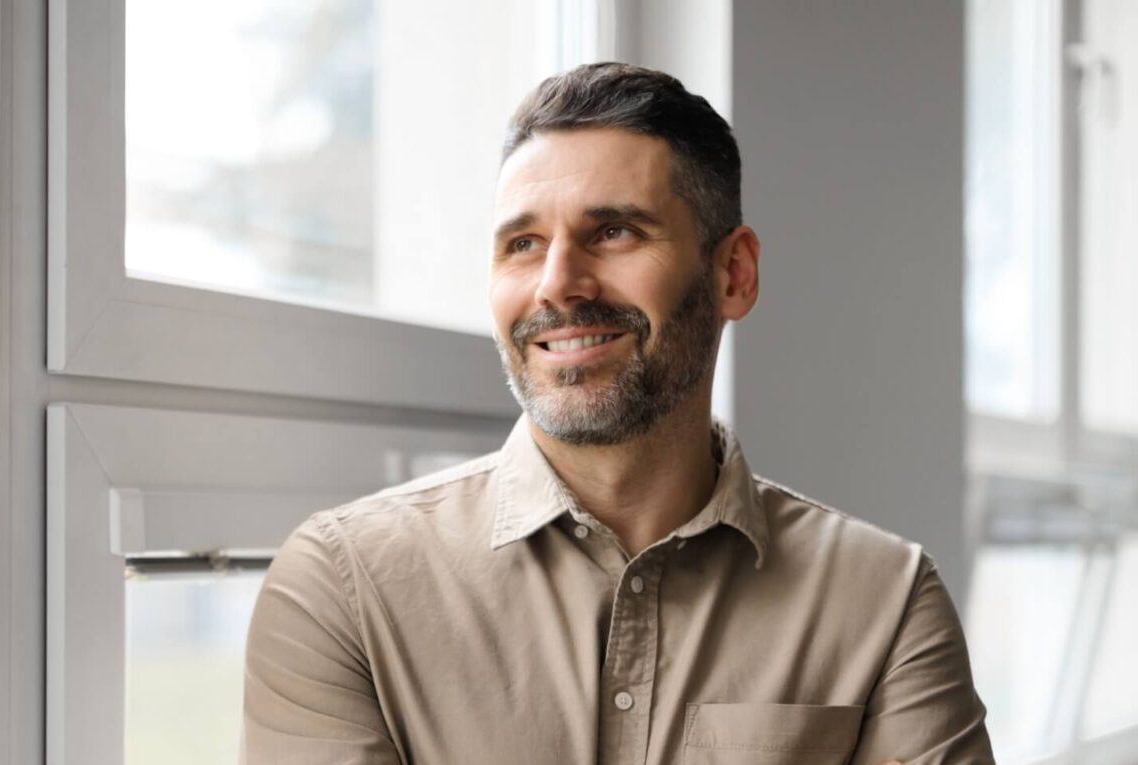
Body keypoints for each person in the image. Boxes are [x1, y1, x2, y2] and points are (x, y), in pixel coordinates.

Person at [240, 62, 993, 764]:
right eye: (524, 243)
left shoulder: (885, 598)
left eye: (615, 231)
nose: (558, 284)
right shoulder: (343, 587)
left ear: (734, 273)